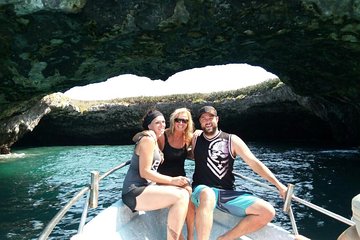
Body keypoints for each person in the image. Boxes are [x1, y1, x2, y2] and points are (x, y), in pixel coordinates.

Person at [191, 106, 287, 240]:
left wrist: (278, 185)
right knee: (207, 194)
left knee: (267, 212)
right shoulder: (195, 138)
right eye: (203, 118)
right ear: (200, 123)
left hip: (226, 194)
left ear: (217, 119)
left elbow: (254, 162)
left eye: (211, 118)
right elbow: (173, 136)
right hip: (201, 191)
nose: (207, 121)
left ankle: (224, 238)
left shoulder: (232, 140)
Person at [122, 109, 190, 240]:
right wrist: (172, 180)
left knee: (185, 192)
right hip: (134, 192)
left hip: (145, 188)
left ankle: (178, 237)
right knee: (181, 197)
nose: (162, 125)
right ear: (149, 126)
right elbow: (145, 172)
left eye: (164, 122)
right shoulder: (147, 140)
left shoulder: (155, 139)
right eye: (157, 122)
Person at [157, 108, 196, 240]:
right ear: (173, 121)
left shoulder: (189, 138)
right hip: (164, 180)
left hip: (181, 178)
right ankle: (179, 237)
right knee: (179, 197)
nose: (180, 123)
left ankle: (190, 236)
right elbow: (149, 142)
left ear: (188, 123)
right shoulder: (163, 136)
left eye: (184, 120)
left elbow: (198, 145)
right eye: (177, 120)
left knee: (190, 195)